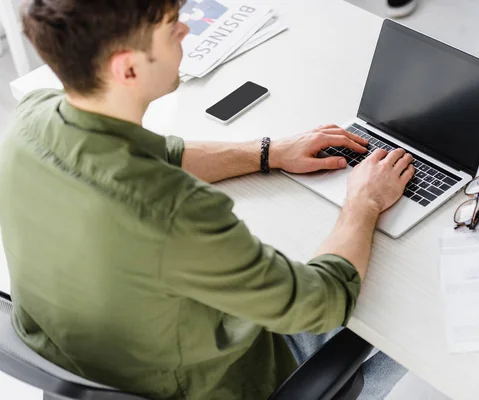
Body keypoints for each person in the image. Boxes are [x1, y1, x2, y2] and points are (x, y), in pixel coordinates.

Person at [0, 1, 415, 399]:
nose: (185, 29)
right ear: (127, 68)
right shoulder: (175, 212)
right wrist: (363, 202)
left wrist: (268, 152)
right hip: (218, 384)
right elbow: (321, 301)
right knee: (412, 311)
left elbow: (158, 153)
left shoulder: (30, 120)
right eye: (170, 28)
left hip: (90, 360)